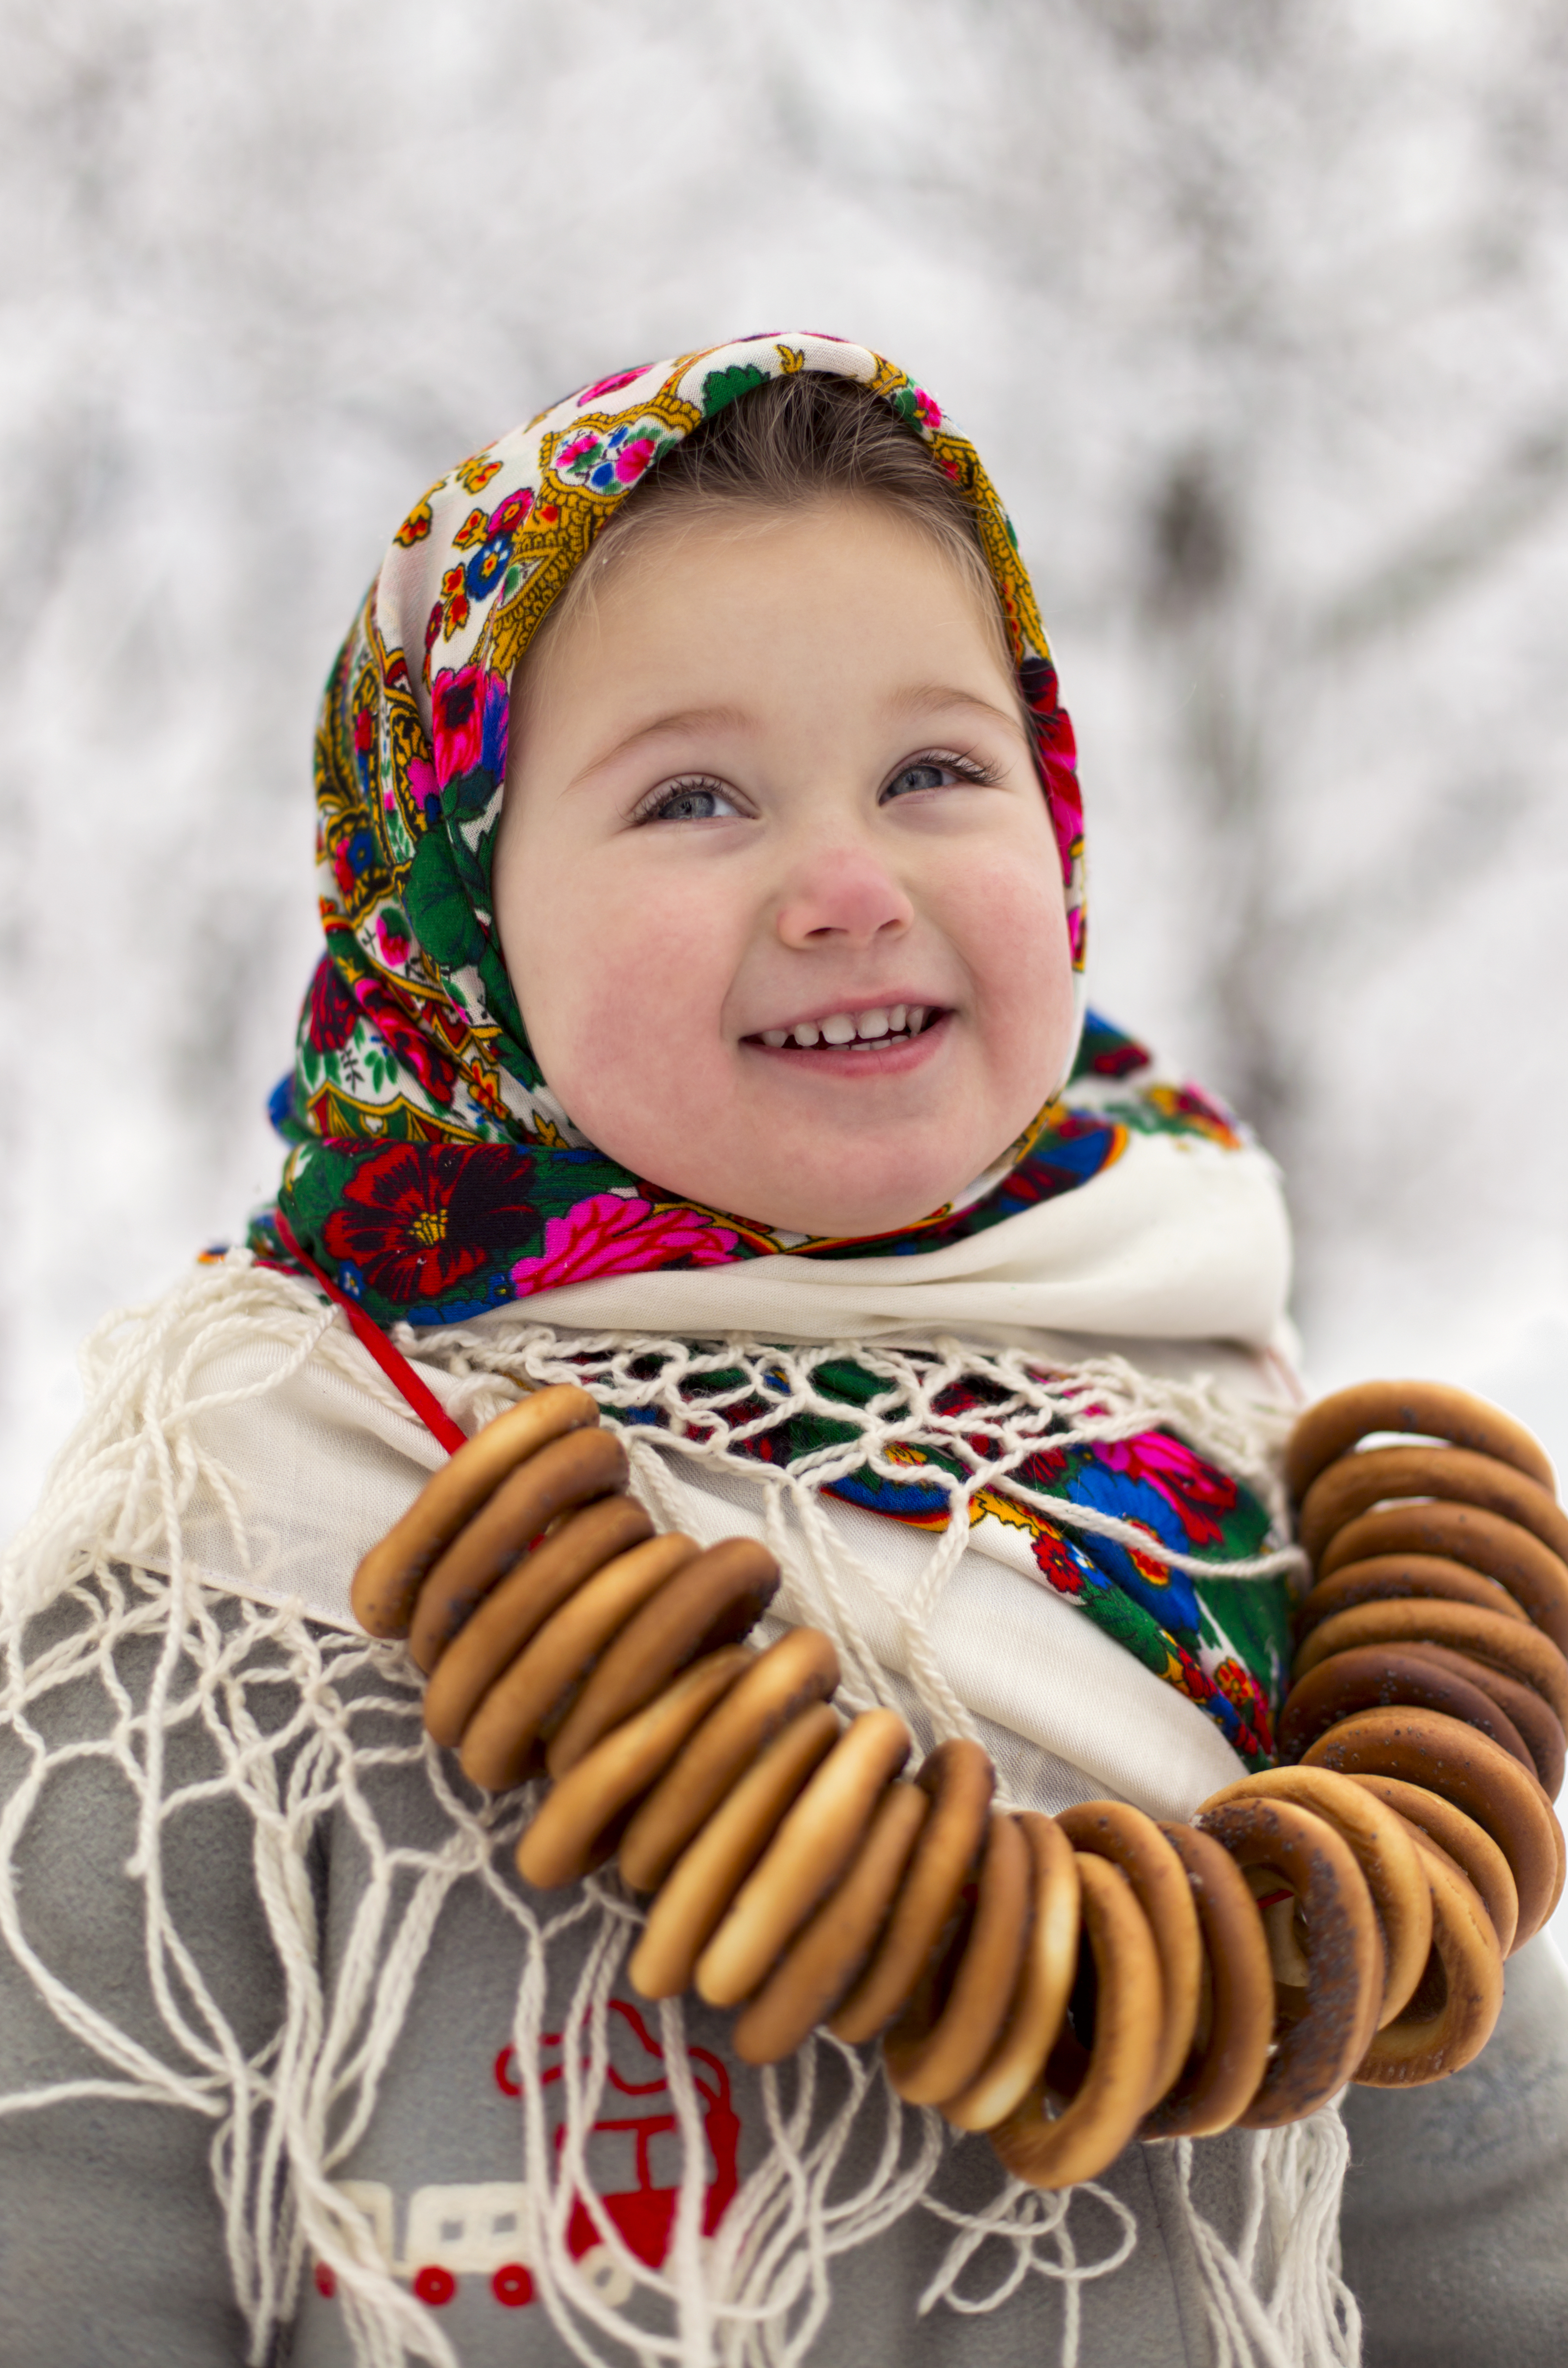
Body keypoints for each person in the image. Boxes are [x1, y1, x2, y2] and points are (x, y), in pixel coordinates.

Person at [0, 334, 1563, 2368]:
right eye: (692, 795)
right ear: (450, 912)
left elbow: (1486, 2242)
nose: (848, 887)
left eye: (934, 769)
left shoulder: (1209, 1491)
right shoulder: (230, 1575)